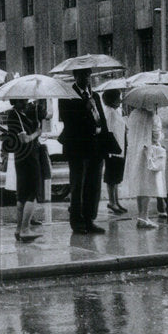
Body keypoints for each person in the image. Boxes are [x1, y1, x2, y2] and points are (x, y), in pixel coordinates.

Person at [59, 68, 110, 234]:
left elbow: (102, 119)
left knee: (93, 185)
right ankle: (77, 221)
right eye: (83, 75)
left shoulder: (94, 95)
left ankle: (89, 219)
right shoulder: (67, 96)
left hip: (95, 147)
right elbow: (68, 121)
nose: (87, 78)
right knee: (78, 185)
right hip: (78, 148)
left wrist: (105, 142)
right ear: (75, 76)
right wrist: (84, 108)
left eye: (88, 74)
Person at [6, 97, 47, 241]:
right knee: (32, 192)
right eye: (21, 101)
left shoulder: (20, 114)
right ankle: (25, 228)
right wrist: (37, 133)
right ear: (14, 102)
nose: (24, 103)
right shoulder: (14, 115)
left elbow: (42, 115)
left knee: (22, 193)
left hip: (22, 157)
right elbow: (25, 139)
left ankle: (19, 229)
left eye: (25, 100)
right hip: (29, 157)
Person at [120, 106, 165, 228]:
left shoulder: (133, 115)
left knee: (139, 185)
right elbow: (156, 136)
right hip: (148, 152)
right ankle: (144, 217)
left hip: (134, 152)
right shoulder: (152, 116)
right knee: (147, 185)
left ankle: (141, 216)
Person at [102, 89, 127, 214]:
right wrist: (111, 149)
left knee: (116, 176)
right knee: (112, 176)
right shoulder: (110, 112)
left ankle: (116, 201)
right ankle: (112, 201)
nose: (120, 100)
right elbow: (110, 130)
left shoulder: (115, 112)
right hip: (114, 148)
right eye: (118, 97)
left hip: (119, 147)